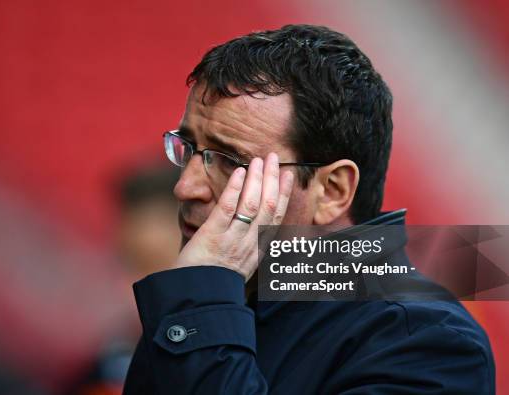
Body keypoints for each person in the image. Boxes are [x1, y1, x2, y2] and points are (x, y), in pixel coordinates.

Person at [123, 25, 495, 394]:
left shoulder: (430, 345)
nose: (184, 187)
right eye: (187, 146)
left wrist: (203, 309)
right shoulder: (216, 297)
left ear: (332, 191)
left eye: (230, 161)